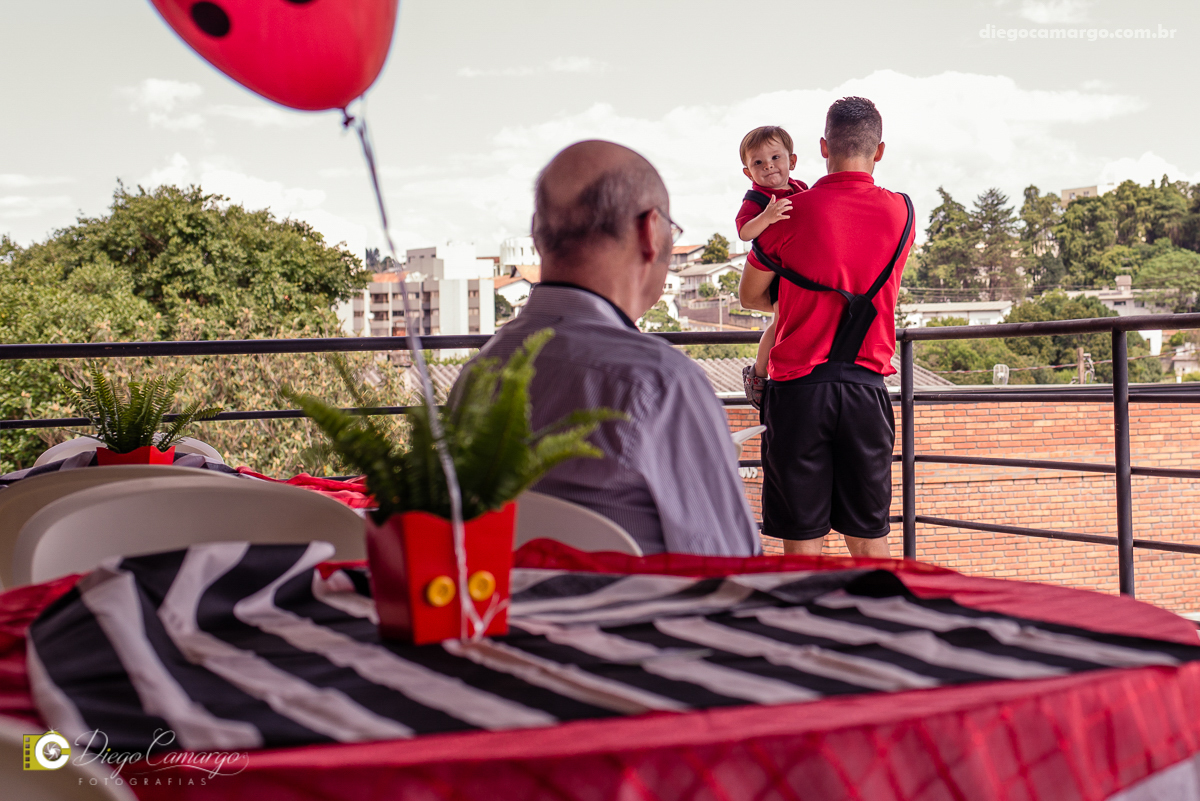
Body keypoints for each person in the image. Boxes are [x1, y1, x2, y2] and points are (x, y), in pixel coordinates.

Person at [453, 140, 761, 557]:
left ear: (539, 236)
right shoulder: (661, 385)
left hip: (498, 617)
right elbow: (733, 566)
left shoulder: (477, 374)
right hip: (647, 615)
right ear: (650, 232)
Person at [738, 97, 914, 558]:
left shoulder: (787, 214)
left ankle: (806, 627)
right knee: (869, 538)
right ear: (879, 151)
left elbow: (749, 296)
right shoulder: (903, 214)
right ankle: (879, 624)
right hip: (866, 387)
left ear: (821, 147)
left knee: (801, 542)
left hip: (798, 391)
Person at [733, 126, 808, 410]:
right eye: (758, 163)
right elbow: (744, 232)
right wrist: (766, 217)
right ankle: (759, 373)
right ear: (748, 172)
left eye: (776, 157)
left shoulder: (801, 189)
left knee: (789, 322)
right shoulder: (756, 199)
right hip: (776, 271)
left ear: (793, 160)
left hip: (797, 266)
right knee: (779, 321)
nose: (769, 166)